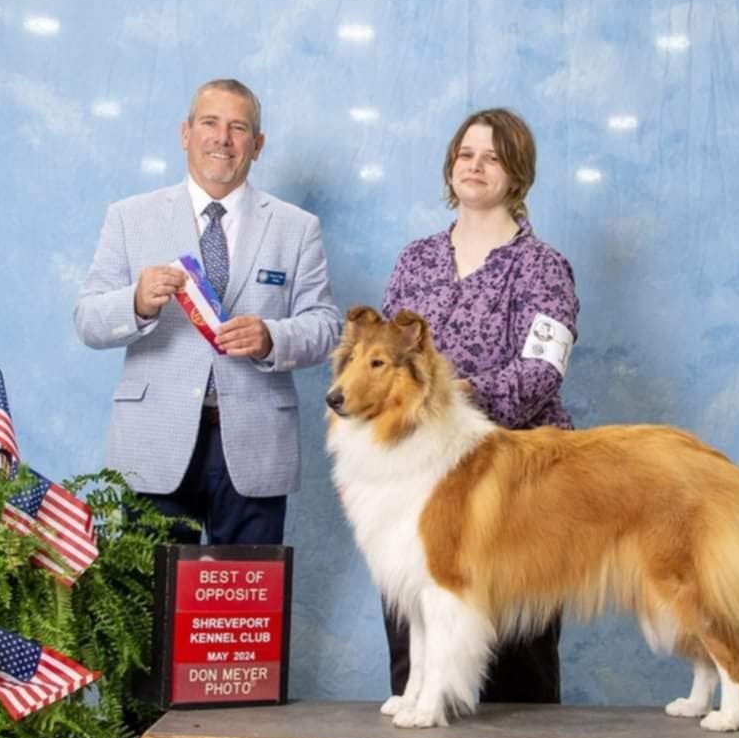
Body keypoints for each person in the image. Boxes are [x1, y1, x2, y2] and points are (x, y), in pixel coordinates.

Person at [75, 79, 339, 545]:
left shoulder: (297, 228)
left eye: (238, 128)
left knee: (242, 610)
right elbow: (88, 320)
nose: (223, 138)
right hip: (152, 440)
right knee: (148, 602)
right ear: (185, 133)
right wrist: (135, 302)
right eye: (210, 123)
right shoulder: (129, 217)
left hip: (255, 444)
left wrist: (272, 338)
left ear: (256, 146)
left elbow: (326, 327)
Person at [381, 108, 579, 704]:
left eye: (492, 157)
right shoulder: (415, 258)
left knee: (521, 640)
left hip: (517, 473)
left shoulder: (544, 265)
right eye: (466, 154)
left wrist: (459, 398)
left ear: (516, 174)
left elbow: (543, 368)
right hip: (418, 472)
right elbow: (386, 359)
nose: (476, 166)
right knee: (417, 614)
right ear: (450, 165)